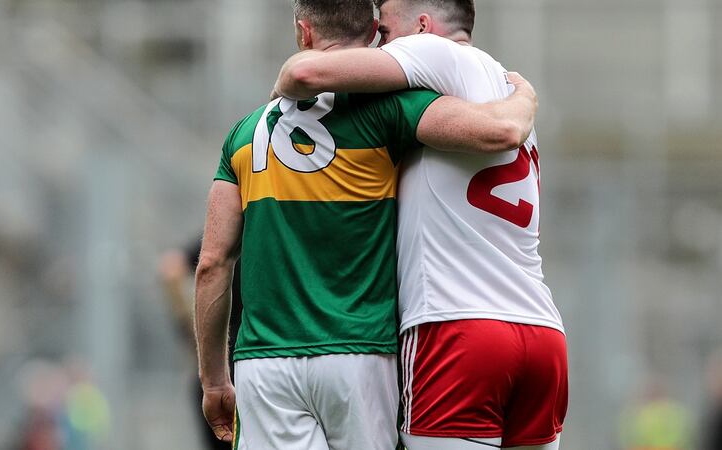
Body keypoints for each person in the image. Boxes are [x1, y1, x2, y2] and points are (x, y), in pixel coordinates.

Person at [194, 1, 539, 449]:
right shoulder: (392, 110)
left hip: (264, 362)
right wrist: (523, 99)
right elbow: (493, 132)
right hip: (363, 355)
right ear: (376, 31)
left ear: (304, 33)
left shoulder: (243, 135)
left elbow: (212, 264)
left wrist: (214, 381)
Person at [157, 240, 242, 450]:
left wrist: (195, 336)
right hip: (265, 366)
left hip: (219, 370)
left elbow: (171, 269)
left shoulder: (229, 232)